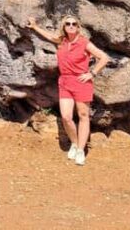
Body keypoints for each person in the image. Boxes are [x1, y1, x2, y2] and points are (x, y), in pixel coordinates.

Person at [27, 15, 109, 166]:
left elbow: (104, 58)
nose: (71, 26)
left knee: (83, 115)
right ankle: (75, 143)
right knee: (66, 116)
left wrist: (92, 73)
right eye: (67, 24)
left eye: (74, 24)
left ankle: (80, 150)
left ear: (78, 27)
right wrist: (34, 26)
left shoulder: (84, 43)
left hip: (81, 82)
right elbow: (50, 36)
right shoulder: (62, 41)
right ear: (64, 27)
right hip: (64, 81)